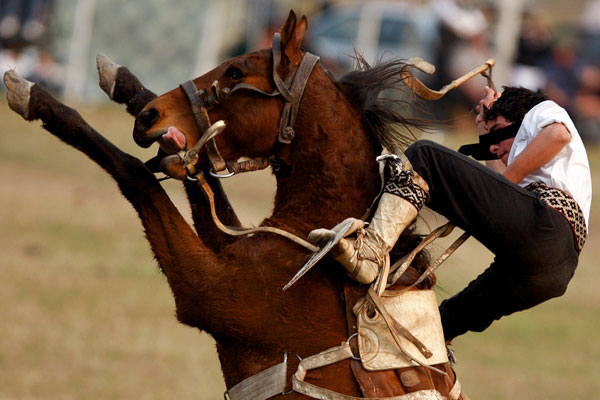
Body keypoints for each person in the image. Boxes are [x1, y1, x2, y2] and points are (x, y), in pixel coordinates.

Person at [309, 85, 591, 341]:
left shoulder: (540, 111)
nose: (493, 146)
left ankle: (370, 252)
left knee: (425, 156)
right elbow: (498, 190)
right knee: (441, 324)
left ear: (519, 117)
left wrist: (504, 175)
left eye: (498, 131)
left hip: (547, 227)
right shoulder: (526, 167)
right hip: (551, 271)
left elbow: (556, 135)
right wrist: (484, 130)